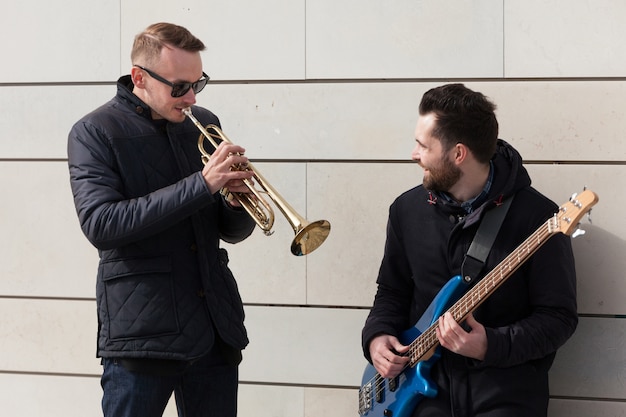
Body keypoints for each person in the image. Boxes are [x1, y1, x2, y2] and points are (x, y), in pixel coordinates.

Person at [68, 22, 257, 417]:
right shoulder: (94, 132)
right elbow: (101, 225)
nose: (189, 97)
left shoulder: (202, 121)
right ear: (140, 77)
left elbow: (229, 232)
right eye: (178, 87)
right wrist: (203, 185)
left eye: (197, 84)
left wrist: (238, 203)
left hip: (213, 328)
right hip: (143, 335)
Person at [361, 83, 578, 417]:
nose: (414, 154)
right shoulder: (406, 210)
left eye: (423, 145)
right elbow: (392, 291)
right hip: (419, 399)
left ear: (458, 154)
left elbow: (558, 318)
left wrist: (491, 345)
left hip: (504, 398)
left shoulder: (539, 219)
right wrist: (377, 338)